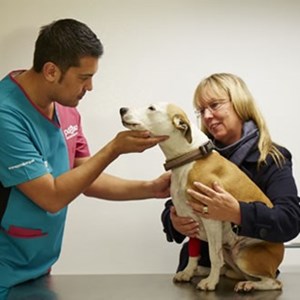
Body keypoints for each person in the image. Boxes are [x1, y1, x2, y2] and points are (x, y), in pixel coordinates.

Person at [0, 19, 171, 298]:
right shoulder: (5, 115)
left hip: (38, 267)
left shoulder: (66, 108)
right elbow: (52, 197)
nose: (90, 87)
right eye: (83, 77)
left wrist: (150, 188)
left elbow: (86, 177)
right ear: (51, 71)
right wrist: (114, 148)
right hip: (4, 269)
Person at [161, 72, 300, 273]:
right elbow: (172, 206)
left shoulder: (272, 158)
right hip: (198, 273)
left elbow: (289, 221)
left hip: (249, 275)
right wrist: (174, 222)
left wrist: (238, 212)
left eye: (215, 105)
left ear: (240, 104)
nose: (207, 116)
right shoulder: (195, 157)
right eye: (201, 110)